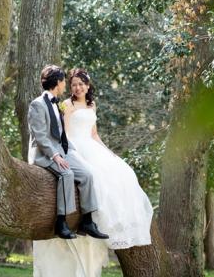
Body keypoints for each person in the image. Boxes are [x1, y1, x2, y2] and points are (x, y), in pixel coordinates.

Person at [31, 66, 153, 277]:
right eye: (73, 84)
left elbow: (94, 134)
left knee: (123, 172)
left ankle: (105, 222)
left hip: (90, 144)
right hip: (73, 147)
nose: (76, 87)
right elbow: (64, 135)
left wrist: (108, 152)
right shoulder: (65, 105)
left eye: (81, 84)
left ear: (88, 86)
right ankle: (82, 219)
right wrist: (70, 154)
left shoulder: (92, 105)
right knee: (92, 174)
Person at [28, 64, 109, 240]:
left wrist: (71, 152)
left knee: (88, 174)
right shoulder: (37, 104)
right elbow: (40, 137)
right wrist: (56, 156)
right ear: (58, 82)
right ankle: (61, 222)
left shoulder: (58, 104)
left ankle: (87, 221)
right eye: (65, 81)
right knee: (66, 174)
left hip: (63, 150)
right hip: (44, 153)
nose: (66, 85)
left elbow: (62, 134)